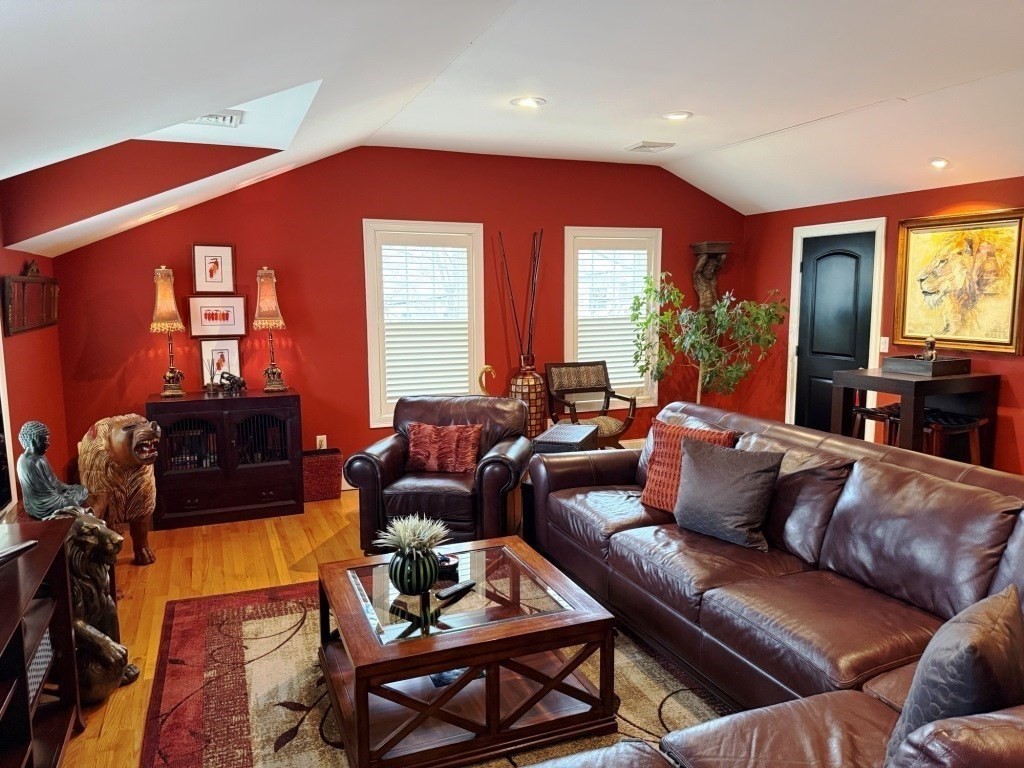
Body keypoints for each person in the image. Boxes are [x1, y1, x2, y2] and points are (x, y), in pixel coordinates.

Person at [17, 421, 104, 519]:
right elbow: (47, 494)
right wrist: (65, 497)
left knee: (82, 489)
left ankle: (73, 503)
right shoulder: (27, 462)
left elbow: (55, 482)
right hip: (42, 504)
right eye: (45, 440)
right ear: (34, 441)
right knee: (72, 502)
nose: (48, 444)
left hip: (54, 496)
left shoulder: (41, 458)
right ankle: (77, 510)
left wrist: (68, 488)